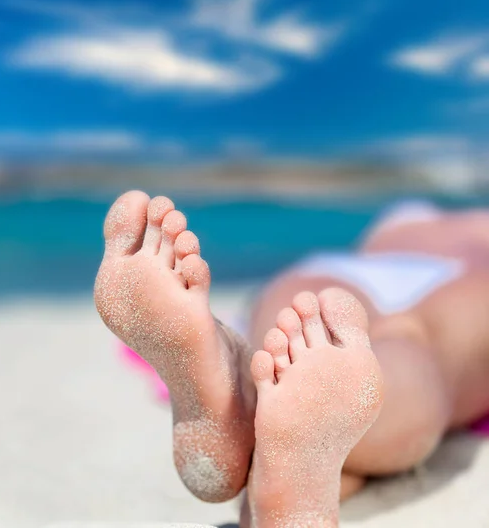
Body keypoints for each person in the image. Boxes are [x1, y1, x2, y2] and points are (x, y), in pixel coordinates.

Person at [94, 191, 489, 527]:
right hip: (464, 282)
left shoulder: (408, 214)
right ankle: (286, 442)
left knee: (294, 329)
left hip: (340, 269)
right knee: (415, 346)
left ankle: (243, 391)